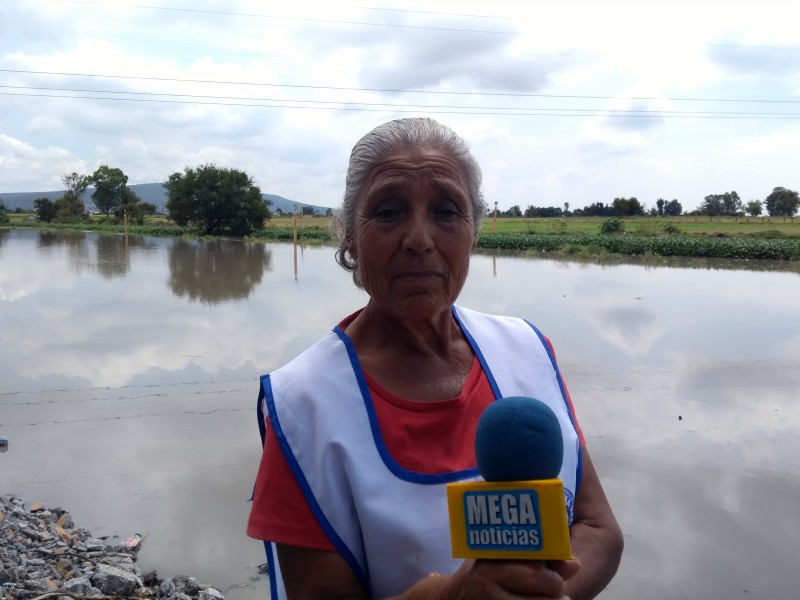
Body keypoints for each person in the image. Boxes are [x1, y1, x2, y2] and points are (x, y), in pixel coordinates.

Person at [247, 117, 623, 600]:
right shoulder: (302, 405)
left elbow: (597, 527)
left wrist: (545, 592)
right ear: (350, 240)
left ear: (474, 234)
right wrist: (453, 595)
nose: (419, 239)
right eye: (388, 212)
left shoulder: (527, 349)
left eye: (446, 211)